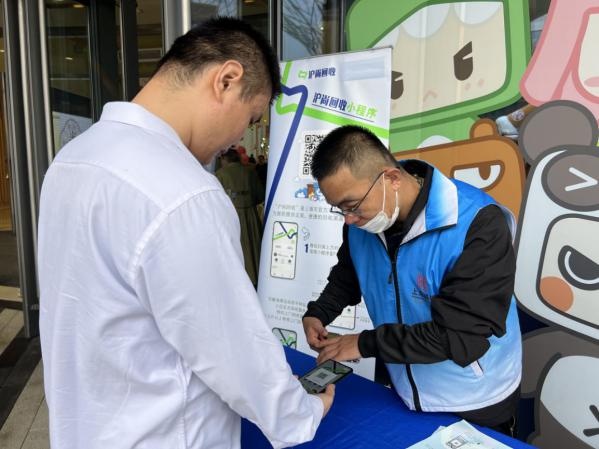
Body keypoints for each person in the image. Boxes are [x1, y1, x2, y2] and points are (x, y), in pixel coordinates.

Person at [37, 17, 334, 449]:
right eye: (251, 118)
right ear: (227, 80)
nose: (241, 136)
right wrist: (303, 412)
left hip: (86, 427)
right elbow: (234, 349)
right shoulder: (184, 193)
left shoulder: (73, 159)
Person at [302, 125, 521, 435]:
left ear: (392, 178)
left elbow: (460, 337)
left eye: (352, 206)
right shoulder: (361, 223)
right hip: (403, 388)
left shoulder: (478, 224)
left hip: (474, 396)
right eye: (340, 210)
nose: (349, 219)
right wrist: (319, 312)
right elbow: (348, 274)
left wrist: (364, 343)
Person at [216, 147, 264, 286]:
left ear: (224, 159)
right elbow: (260, 195)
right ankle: (255, 279)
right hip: (250, 216)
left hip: (229, 216)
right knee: (253, 249)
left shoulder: (220, 174)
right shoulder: (250, 171)